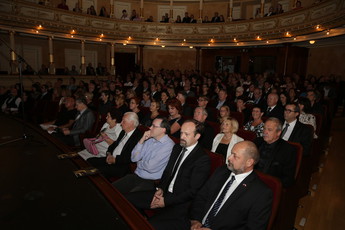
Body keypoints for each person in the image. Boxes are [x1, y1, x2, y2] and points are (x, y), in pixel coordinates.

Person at [125, 120, 210, 230]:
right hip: (164, 194)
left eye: (187, 134)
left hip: (180, 203)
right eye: (181, 133)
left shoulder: (202, 159)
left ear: (197, 136)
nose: (182, 137)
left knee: (149, 226)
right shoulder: (177, 148)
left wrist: (166, 201)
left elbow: (192, 191)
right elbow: (168, 172)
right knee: (126, 200)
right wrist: (160, 188)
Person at [189, 141, 273, 230]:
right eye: (231, 154)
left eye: (235, 156)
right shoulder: (221, 171)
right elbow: (201, 197)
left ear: (249, 162)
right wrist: (196, 220)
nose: (229, 158)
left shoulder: (261, 193)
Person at [112, 117, 174, 193]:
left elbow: (150, 167)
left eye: (154, 126)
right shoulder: (150, 140)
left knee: (126, 199)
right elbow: (134, 158)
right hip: (136, 175)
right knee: (111, 189)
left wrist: (140, 162)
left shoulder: (168, 145)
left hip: (150, 181)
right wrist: (141, 140)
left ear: (163, 129)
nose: (150, 128)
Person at [87, 112, 143, 178]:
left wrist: (115, 160)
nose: (121, 123)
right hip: (111, 158)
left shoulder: (138, 137)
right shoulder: (123, 132)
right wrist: (109, 154)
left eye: (123, 121)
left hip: (121, 165)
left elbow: (131, 157)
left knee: (98, 170)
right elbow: (114, 144)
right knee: (90, 161)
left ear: (131, 123)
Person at [254, 117, 297, 187]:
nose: (265, 132)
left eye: (269, 130)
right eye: (264, 128)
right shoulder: (257, 141)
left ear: (278, 133)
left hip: (268, 185)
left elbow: (287, 179)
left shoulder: (288, 150)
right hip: (251, 179)